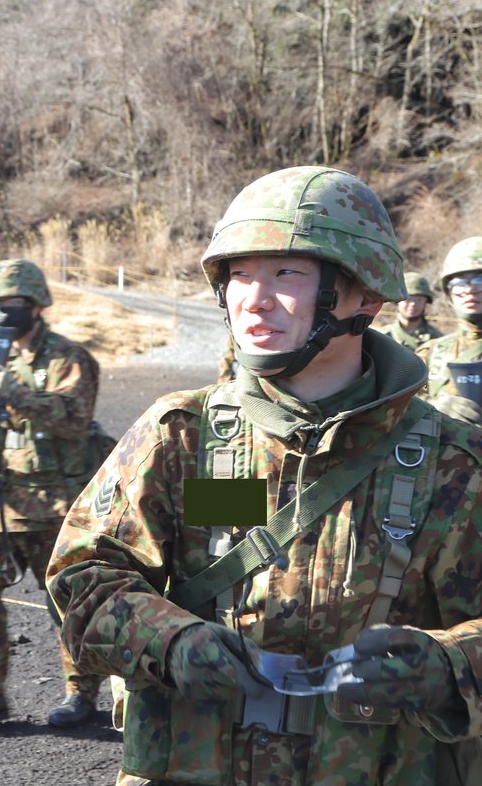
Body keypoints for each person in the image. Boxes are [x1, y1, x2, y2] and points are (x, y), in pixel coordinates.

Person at [47, 166, 482, 786]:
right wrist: (173, 643)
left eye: (287, 274)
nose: (253, 298)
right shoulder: (184, 434)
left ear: (366, 294)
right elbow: (83, 580)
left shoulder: (453, 461)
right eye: (239, 274)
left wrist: (440, 667)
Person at [0, 259, 104, 728]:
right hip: (0, 504)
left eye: (13, 303)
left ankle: (81, 693)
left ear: (35, 305)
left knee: (66, 601)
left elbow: (73, 419)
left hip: (57, 503)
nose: (3, 312)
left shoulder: (69, 358)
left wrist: (17, 394)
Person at [415, 237, 482, 425]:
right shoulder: (431, 353)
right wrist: (432, 407)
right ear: (449, 294)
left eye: (479, 281)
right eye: (459, 283)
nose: (469, 290)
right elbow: (397, 408)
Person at [381, 270, 442, 350]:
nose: (413, 304)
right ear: (397, 301)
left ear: (426, 302)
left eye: (419, 299)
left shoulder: (437, 339)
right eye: (408, 298)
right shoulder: (382, 337)